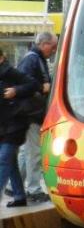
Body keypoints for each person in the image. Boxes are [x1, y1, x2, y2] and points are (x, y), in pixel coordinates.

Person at [16, 32, 58, 202]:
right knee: (34, 152)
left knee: (26, 151)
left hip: (28, 113)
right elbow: (22, 84)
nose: (54, 50)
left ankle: (14, 186)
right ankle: (34, 190)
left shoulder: (35, 59)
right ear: (43, 44)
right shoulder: (32, 59)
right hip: (31, 114)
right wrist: (42, 88)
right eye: (52, 47)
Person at [0, 48, 40, 207]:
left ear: (1, 58)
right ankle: (19, 196)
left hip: (15, 123)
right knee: (10, 162)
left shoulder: (10, 72)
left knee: (3, 160)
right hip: (3, 125)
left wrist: (16, 91)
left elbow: (34, 84)